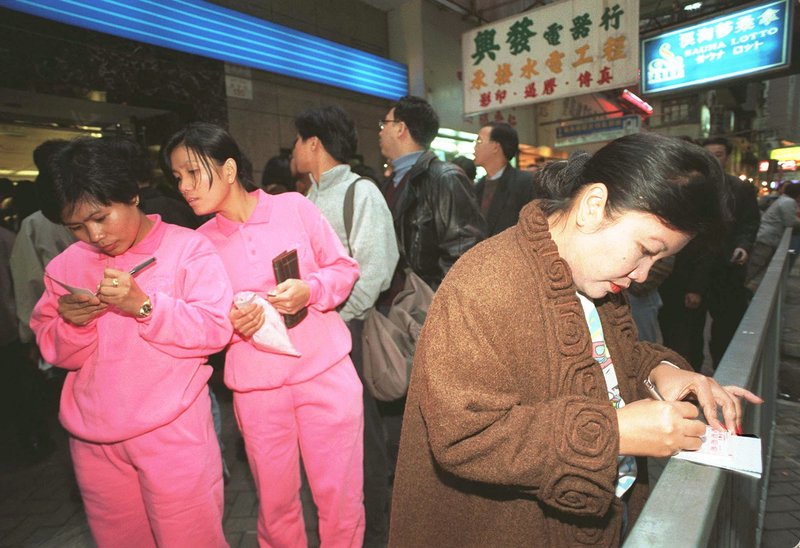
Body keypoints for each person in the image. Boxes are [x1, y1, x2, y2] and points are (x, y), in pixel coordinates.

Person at [388, 134, 762, 547]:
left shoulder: (597, 277)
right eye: (644, 250)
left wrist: (663, 373)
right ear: (592, 206)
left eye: (659, 260)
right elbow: (465, 437)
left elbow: (612, 360)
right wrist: (614, 433)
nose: (641, 274)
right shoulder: (486, 285)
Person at [162, 122, 365, 548]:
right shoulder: (198, 245)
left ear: (229, 169)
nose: (185, 187)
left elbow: (343, 269)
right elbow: (203, 324)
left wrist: (310, 290)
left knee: (341, 500)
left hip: (326, 375)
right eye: (178, 177)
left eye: (193, 173)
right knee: (275, 508)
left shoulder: (294, 207)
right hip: (257, 392)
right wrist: (232, 328)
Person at [29, 136, 233, 547]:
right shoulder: (64, 266)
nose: (94, 235)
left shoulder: (188, 249)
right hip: (94, 443)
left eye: (101, 217)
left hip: (172, 434)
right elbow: (55, 351)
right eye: (76, 227)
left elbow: (215, 330)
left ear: (132, 195)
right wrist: (71, 324)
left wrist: (145, 307)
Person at [295, 105, 398, 547]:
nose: (295, 149)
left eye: (299, 140)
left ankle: (378, 531)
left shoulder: (361, 192)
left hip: (347, 334)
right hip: (315, 339)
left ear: (314, 143)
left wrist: (339, 318)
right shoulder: (307, 199)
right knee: (327, 443)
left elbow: (377, 267)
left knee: (363, 442)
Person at [378, 95, 485, 290]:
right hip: (394, 308)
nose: (381, 131)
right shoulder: (389, 183)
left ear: (400, 128)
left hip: (424, 308)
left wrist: (439, 307)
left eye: (384, 124)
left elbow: (463, 253)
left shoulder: (444, 178)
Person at [699, 136, 760, 367]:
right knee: (688, 329)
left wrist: (743, 246)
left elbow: (750, 223)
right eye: (708, 155)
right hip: (694, 269)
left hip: (727, 268)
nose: (713, 160)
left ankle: (724, 371)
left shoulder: (739, 188)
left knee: (726, 326)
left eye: (718, 154)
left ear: (726, 156)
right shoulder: (691, 186)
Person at [473, 121, 541, 236]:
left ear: (495, 147)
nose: (475, 147)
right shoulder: (477, 187)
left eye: (479, 141)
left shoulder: (525, 183)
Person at [746, 182, 800, 289]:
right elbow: (790, 222)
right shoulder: (788, 202)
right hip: (767, 239)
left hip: (767, 238)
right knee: (754, 267)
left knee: (757, 268)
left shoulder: (783, 200)